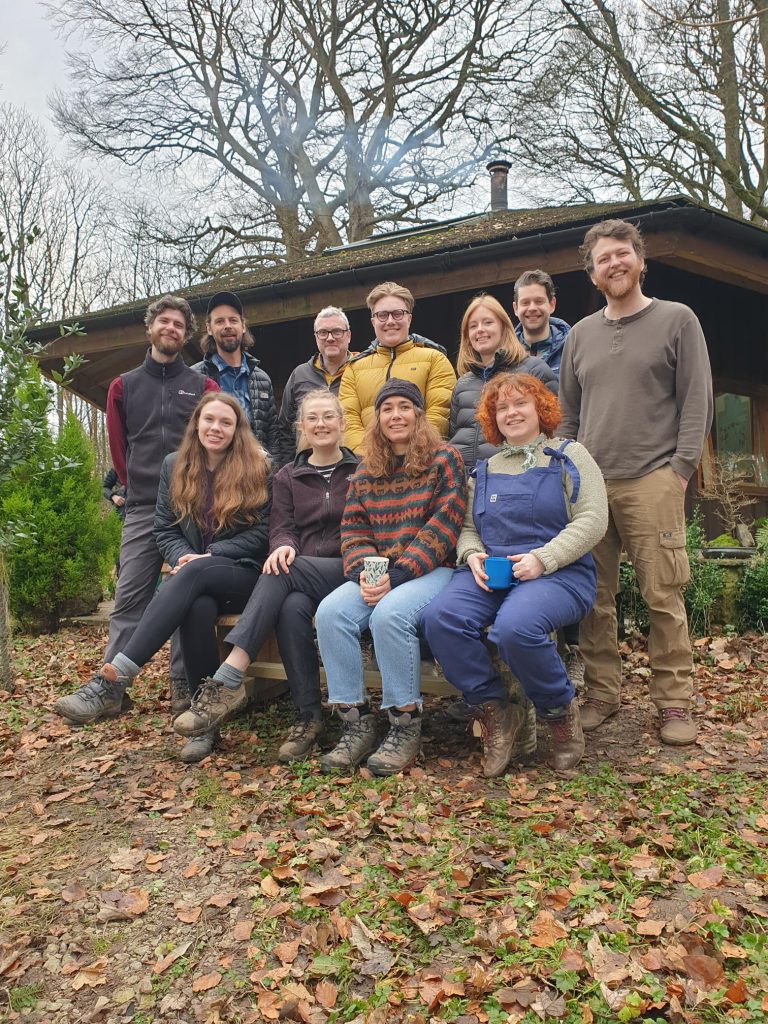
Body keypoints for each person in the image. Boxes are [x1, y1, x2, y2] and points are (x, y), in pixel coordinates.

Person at [559, 218, 713, 745]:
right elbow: (568, 417)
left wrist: (680, 472)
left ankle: (673, 701)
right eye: (603, 259)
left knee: (662, 593)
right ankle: (602, 692)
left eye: (622, 253)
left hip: (654, 479)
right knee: (593, 597)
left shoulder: (677, 320)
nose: (615, 263)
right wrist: (568, 472)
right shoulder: (579, 335)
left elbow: (697, 402)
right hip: (590, 488)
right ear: (593, 272)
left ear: (640, 260)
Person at [60, 393, 271, 762]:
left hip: (244, 577)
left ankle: (114, 679)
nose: (216, 428)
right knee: (197, 608)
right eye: (210, 420)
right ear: (197, 424)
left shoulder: (257, 466)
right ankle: (204, 723)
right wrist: (179, 555)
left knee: (197, 575)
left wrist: (211, 555)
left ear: (238, 430)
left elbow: (263, 534)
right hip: (194, 578)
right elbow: (164, 528)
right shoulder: (174, 465)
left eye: (226, 422)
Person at [423, 373, 608, 775]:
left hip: (558, 573)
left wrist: (544, 558)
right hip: (494, 573)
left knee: (514, 629)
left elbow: (593, 519)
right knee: (440, 620)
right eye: (501, 408)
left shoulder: (570, 455)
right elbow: (469, 526)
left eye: (520, 403)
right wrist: (470, 554)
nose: (511, 413)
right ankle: (495, 710)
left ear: (540, 408)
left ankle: (559, 714)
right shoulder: (485, 469)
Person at [54, 295, 219, 726]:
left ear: (186, 334)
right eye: (163, 321)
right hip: (145, 505)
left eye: (179, 324)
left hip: (192, 505)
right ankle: (111, 688)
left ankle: (186, 686)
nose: (171, 329)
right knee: (130, 596)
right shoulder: (122, 386)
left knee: (187, 591)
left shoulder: (203, 387)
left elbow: (215, 438)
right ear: (150, 328)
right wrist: (140, 487)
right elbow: (118, 448)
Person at [172, 390, 359, 761]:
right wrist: (285, 543)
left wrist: (291, 556)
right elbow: (281, 526)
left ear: (342, 422)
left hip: (347, 570)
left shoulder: (361, 471)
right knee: (290, 608)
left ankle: (230, 673)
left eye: (328, 417)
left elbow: (367, 524)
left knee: (284, 571)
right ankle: (309, 717)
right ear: (301, 426)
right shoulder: (288, 475)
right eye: (312, 418)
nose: (320, 424)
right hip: (301, 575)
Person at [314, 378, 467, 776]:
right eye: (387, 409)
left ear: (418, 414)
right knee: (330, 613)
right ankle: (356, 722)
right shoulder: (366, 471)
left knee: (390, 616)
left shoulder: (444, 459)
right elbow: (354, 529)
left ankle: (404, 724)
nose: (395, 415)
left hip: (433, 569)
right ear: (376, 419)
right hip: (380, 573)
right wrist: (368, 572)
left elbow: (444, 526)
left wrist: (396, 576)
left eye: (404, 406)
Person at [338, 282, 457, 453]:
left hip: (422, 462)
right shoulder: (354, 369)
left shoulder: (435, 359)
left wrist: (411, 456)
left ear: (409, 318)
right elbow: (348, 420)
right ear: (373, 322)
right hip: (370, 466)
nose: (390, 321)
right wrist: (371, 458)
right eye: (382, 315)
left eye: (397, 314)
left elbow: (439, 414)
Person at [449, 293, 557, 471]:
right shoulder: (462, 384)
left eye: (488, 322)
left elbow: (554, 427)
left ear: (503, 327)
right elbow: (453, 433)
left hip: (512, 477)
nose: (480, 330)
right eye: (473, 326)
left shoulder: (533, 369)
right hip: (465, 481)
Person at [192, 290, 281, 462]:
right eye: (219, 321)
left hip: (256, 477)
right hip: (213, 477)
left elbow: (272, 434)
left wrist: (272, 471)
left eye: (233, 320)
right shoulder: (195, 377)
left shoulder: (261, 379)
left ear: (243, 326)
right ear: (209, 328)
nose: (227, 326)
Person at [278, 306, 352, 462]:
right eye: (323, 332)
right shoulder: (299, 375)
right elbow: (285, 429)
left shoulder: (361, 371)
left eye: (337, 331)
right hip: (308, 469)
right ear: (316, 337)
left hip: (353, 466)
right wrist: (290, 470)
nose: (330, 338)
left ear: (348, 336)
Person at [512, 269, 571, 378]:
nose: (532, 308)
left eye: (539, 301)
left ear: (552, 304)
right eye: (525, 303)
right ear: (515, 308)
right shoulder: (507, 356)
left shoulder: (572, 347)